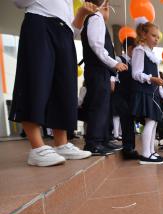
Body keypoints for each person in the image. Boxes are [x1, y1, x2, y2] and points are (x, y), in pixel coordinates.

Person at [9, 0, 95, 166]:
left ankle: (61, 143)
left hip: (64, 33)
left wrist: (82, 14)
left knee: (64, 88)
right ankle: (37, 147)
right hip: (39, 21)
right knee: (35, 80)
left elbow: (74, 31)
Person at [80, 0, 127, 155]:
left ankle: (103, 139)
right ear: (105, 6)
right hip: (97, 70)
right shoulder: (95, 18)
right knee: (98, 106)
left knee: (103, 106)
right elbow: (96, 45)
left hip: (100, 71)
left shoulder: (96, 19)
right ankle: (93, 143)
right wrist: (114, 63)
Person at [131, 21, 163, 164]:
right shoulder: (139, 50)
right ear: (144, 34)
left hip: (153, 92)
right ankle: (145, 154)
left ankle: (151, 152)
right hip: (145, 91)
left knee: (153, 122)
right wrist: (152, 78)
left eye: (157, 37)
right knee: (151, 121)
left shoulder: (151, 54)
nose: (156, 39)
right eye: (153, 35)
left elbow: (155, 79)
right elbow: (136, 73)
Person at [114, 37, 140, 160]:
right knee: (125, 120)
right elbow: (114, 74)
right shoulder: (119, 59)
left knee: (130, 121)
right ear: (130, 49)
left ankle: (131, 147)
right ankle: (127, 148)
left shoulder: (135, 63)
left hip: (131, 96)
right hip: (120, 94)